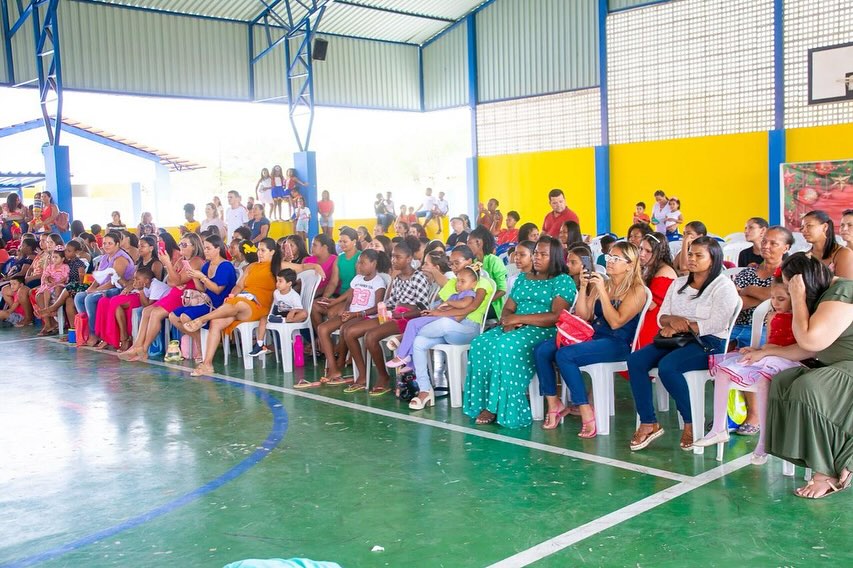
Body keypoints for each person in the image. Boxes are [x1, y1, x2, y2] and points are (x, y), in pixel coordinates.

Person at [627, 237, 739, 452]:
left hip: (709, 342)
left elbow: (718, 322)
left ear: (713, 259)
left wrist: (683, 326)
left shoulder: (723, 286)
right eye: (690, 254)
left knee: (669, 367)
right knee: (635, 360)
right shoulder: (679, 283)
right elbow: (662, 316)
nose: (692, 259)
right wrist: (673, 323)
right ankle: (649, 422)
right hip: (675, 338)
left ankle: (691, 421)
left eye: (699, 255)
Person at [762, 254, 853, 498]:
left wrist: (799, 298)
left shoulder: (841, 292)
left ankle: (826, 472)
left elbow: (810, 340)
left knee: (809, 387)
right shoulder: (825, 295)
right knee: (783, 381)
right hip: (835, 365)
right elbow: (810, 349)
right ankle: (814, 456)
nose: (788, 292)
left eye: (790, 286)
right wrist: (765, 351)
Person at [463, 236, 577, 428]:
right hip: (516, 325)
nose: (537, 257)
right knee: (480, 343)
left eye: (543, 254)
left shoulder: (562, 281)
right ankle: (484, 402)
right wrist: (508, 321)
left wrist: (518, 319)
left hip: (544, 330)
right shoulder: (523, 278)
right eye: (536, 253)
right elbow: (508, 308)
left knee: (505, 345)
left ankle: (496, 406)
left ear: (555, 257)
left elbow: (556, 316)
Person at [534, 241, 646, 433]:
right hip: (594, 336)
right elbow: (584, 315)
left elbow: (616, 322)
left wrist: (602, 291)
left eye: (616, 259)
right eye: (609, 257)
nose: (609, 261)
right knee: (542, 350)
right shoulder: (604, 283)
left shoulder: (637, 290)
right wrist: (584, 288)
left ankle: (585, 410)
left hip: (618, 343)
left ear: (630, 264)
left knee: (565, 355)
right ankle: (554, 404)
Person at [696, 276, 801, 455]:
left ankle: (765, 440)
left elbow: (796, 347)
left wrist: (766, 351)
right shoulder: (772, 315)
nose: (775, 303)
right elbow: (769, 342)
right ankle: (719, 428)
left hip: (787, 359)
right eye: (772, 298)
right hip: (768, 355)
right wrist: (756, 350)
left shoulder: (798, 318)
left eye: (781, 299)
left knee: (763, 381)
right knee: (723, 372)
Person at [338, 242, 432, 395]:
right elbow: (392, 302)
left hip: (409, 319)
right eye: (392, 257)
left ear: (409, 259)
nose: (393, 260)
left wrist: (401, 314)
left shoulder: (418, 278)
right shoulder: (398, 278)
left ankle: (383, 377)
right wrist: (385, 308)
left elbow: (422, 309)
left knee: (371, 336)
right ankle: (363, 375)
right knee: (350, 332)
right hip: (395, 315)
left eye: (398, 257)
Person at [411, 246, 497, 404]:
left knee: (442, 323)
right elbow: (442, 305)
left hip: (469, 329)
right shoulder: (455, 282)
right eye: (451, 264)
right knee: (418, 342)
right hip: (449, 329)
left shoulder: (482, 282)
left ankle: (407, 335)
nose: (454, 267)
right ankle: (425, 390)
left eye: (457, 262)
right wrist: (438, 311)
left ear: (469, 261)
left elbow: (470, 308)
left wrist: (438, 313)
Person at [181, 238, 277, 376]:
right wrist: (232, 295)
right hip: (242, 301)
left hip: (259, 305)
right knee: (216, 321)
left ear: (272, 252)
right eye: (258, 250)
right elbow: (239, 286)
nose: (259, 253)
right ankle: (207, 364)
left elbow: (302, 268)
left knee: (238, 304)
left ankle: (202, 319)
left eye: (263, 250)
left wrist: (312, 267)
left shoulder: (277, 265)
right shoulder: (252, 266)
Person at [118, 233, 204, 360]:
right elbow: (170, 281)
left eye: (184, 244)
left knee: (155, 313)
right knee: (146, 311)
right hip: (175, 293)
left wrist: (168, 264)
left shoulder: (196, 261)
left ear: (194, 246)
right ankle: (137, 346)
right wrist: (176, 279)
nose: (181, 246)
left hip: (185, 297)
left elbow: (176, 280)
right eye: (180, 243)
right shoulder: (182, 260)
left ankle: (144, 348)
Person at [314, 249, 389, 385]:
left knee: (345, 329)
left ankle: (343, 362)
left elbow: (377, 307)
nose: (358, 266)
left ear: (373, 264)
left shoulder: (378, 282)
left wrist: (355, 314)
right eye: (358, 263)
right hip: (351, 313)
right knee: (322, 328)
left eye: (362, 263)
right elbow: (350, 299)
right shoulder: (357, 279)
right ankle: (334, 368)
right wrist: (346, 310)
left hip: (365, 316)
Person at [386, 265, 478, 373]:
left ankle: (401, 355)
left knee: (412, 324)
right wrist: (437, 309)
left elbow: (464, 304)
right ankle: (411, 362)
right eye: (457, 280)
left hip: (446, 320)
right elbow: (445, 307)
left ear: (474, 284)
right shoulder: (456, 295)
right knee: (416, 333)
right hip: (440, 317)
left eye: (463, 281)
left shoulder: (469, 293)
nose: (458, 284)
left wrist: (448, 303)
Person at [167, 235, 238, 357]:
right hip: (206, 301)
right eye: (204, 248)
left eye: (208, 248)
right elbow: (203, 289)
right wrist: (194, 277)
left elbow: (217, 290)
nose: (205, 251)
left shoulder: (225, 266)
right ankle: (199, 340)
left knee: (185, 317)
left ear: (218, 249)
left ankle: (201, 346)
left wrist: (202, 277)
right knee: (173, 316)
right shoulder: (206, 265)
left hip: (219, 304)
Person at [74, 231, 135, 345]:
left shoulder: (120, 259)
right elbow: (98, 277)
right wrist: (90, 289)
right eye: (104, 243)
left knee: (90, 299)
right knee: (79, 297)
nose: (106, 246)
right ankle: (85, 330)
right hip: (104, 287)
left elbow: (113, 282)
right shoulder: (105, 257)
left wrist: (96, 291)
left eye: (110, 243)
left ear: (117, 244)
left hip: (118, 289)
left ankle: (94, 334)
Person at [246, 267, 308, 358]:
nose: (277, 283)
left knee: (304, 314)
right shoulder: (276, 293)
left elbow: (300, 309)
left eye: (280, 281)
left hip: (291, 316)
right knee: (263, 319)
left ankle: (283, 320)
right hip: (278, 314)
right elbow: (275, 306)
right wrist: (270, 315)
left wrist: (293, 311)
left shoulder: (294, 296)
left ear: (289, 284)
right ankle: (259, 344)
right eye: (277, 281)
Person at [636, 232, 677, 348]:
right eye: (641, 249)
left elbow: (650, 305)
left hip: (657, 321)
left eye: (648, 251)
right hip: (648, 315)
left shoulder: (664, 272)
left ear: (659, 253)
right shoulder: (649, 268)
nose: (642, 254)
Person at [467, 225, 508, 316]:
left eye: (469, 242)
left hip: (493, 305)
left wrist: (484, 302)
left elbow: (502, 290)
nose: (467, 246)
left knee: (466, 313)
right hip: (476, 302)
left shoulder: (495, 261)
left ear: (478, 242)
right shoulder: (474, 262)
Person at [801, 210, 853, 278]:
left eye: (809, 225)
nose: (803, 230)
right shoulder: (805, 256)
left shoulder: (844, 253)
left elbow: (845, 284)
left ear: (825, 227)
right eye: (802, 227)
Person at [34, 247, 69, 335]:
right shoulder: (50, 267)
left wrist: (56, 282)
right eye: (53, 257)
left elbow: (65, 278)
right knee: (39, 295)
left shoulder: (65, 267)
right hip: (50, 286)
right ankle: (48, 323)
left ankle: (53, 310)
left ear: (62, 259)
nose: (54, 259)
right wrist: (47, 281)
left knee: (57, 288)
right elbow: (45, 276)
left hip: (59, 285)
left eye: (56, 257)